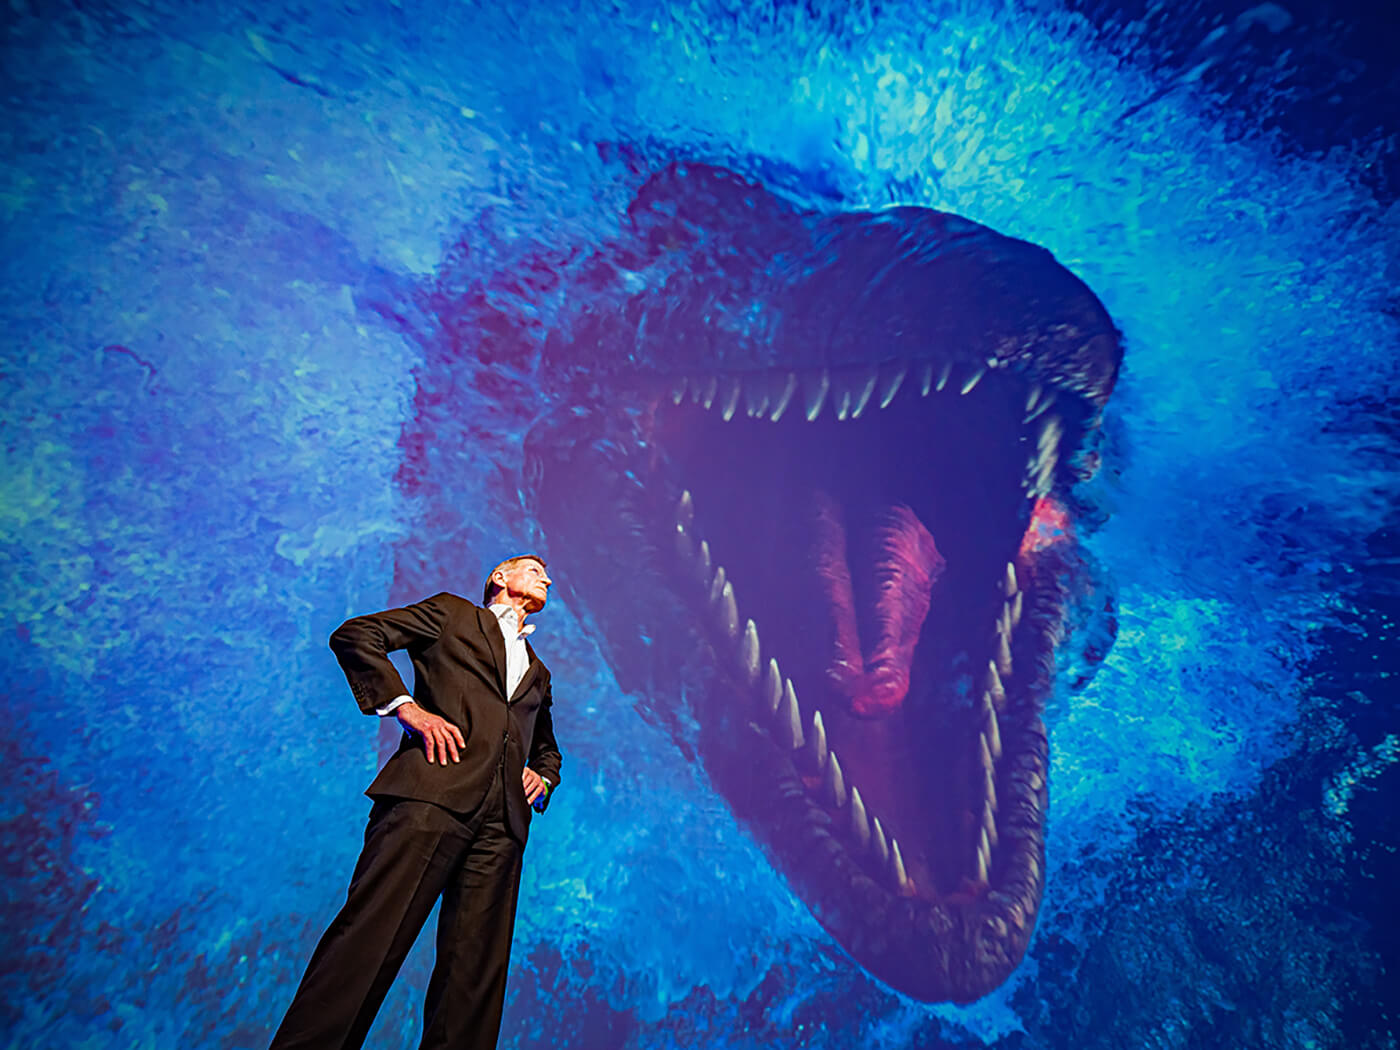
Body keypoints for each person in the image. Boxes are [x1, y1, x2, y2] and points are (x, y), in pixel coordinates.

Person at [269, 555, 562, 1050]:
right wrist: (406, 708)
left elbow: (547, 747)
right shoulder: (451, 614)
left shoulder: (538, 673)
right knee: (369, 942)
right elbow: (356, 635)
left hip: (502, 829)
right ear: (498, 576)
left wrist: (545, 776)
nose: (546, 579)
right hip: (430, 798)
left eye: (546, 576)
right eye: (533, 569)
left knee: (473, 982)